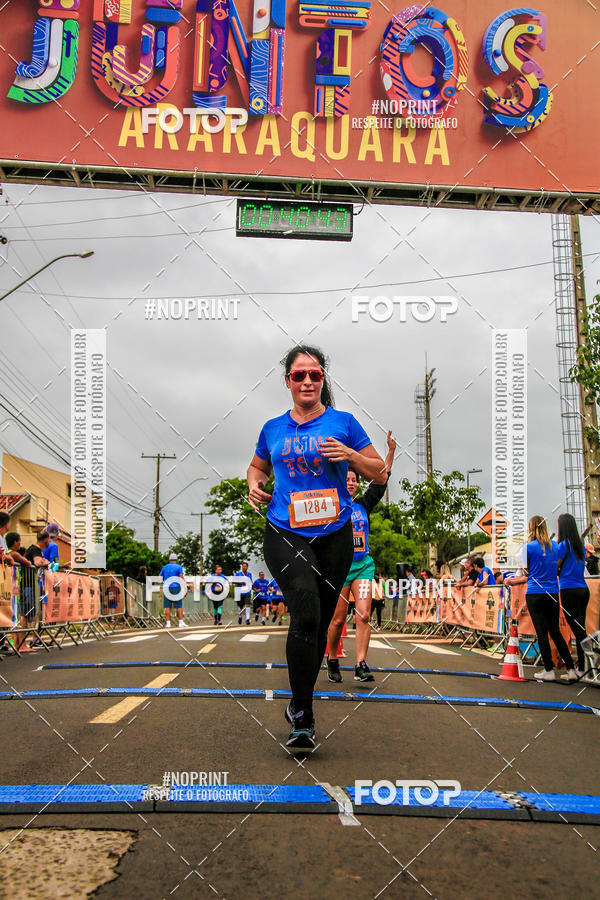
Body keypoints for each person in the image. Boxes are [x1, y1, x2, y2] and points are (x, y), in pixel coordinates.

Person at [247, 344, 386, 750]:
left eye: (315, 375)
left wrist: (348, 455)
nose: (307, 381)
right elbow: (258, 465)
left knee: (318, 622)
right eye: (299, 375)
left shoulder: (344, 423)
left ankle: (298, 706)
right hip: (285, 530)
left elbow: (380, 471)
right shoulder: (273, 428)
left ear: (323, 380)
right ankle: (303, 712)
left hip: (335, 534)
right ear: (287, 381)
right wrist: (254, 483)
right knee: (305, 608)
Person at [326, 430, 396, 684]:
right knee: (336, 619)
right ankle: (332, 658)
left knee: (364, 614)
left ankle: (360, 664)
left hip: (363, 566)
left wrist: (390, 451)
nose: (352, 482)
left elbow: (382, 477)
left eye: (354, 479)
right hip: (340, 569)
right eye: (347, 478)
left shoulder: (363, 505)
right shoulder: (331, 506)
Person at [520, 515, 576, 682]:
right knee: (555, 631)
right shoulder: (556, 547)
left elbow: (524, 571)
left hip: (535, 591)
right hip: (552, 591)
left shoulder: (528, 547)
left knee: (541, 632)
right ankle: (571, 668)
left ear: (531, 528)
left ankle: (549, 669)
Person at [557, 513, 590, 679]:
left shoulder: (563, 545)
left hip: (568, 588)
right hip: (583, 588)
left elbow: (556, 565)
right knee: (581, 628)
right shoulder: (580, 545)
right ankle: (584, 667)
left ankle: (587, 664)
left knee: (577, 629)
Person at [159, 552, 187, 628]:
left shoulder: (164, 567)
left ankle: (168, 623)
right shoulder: (179, 567)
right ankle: (180, 622)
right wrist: (185, 587)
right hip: (176, 586)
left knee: (167, 606)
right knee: (179, 605)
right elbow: (181, 576)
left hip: (166, 587)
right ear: (176, 560)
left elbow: (159, 576)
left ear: (169, 560)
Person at [235, 561, 253, 626]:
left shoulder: (249, 574)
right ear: (242, 567)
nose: (244, 567)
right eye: (243, 566)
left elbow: (251, 581)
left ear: (247, 567)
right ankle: (240, 616)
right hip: (240, 591)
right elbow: (234, 581)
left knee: (247, 604)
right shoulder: (238, 574)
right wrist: (241, 582)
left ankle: (247, 619)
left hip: (247, 591)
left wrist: (251, 583)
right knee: (240, 606)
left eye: (245, 566)